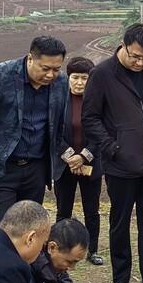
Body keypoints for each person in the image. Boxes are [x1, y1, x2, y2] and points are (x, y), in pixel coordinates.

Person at [82, 23, 143, 283]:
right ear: (123, 45)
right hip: (120, 165)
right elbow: (90, 118)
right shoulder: (103, 74)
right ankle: (121, 279)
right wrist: (112, 147)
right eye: (136, 56)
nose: (141, 63)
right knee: (120, 224)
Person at [0, 36, 70, 231]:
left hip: (36, 169)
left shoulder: (61, 83)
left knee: (30, 230)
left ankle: (25, 264)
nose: (51, 75)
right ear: (30, 58)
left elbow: (61, 123)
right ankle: (3, 263)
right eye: (45, 69)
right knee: (3, 231)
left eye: (56, 69)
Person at [53, 57, 104, 266]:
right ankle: (59, 246)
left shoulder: (98, 102)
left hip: (90, 165)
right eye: (75, 77)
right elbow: (53, 133)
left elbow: (102, 133)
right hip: (65, 166)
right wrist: (70, 157)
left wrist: (83, 156)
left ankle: (92, 250)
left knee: (91, 210)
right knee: (63, 209)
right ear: (68, 78)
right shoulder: (58, 101)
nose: (79, 82)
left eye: (85, 78)